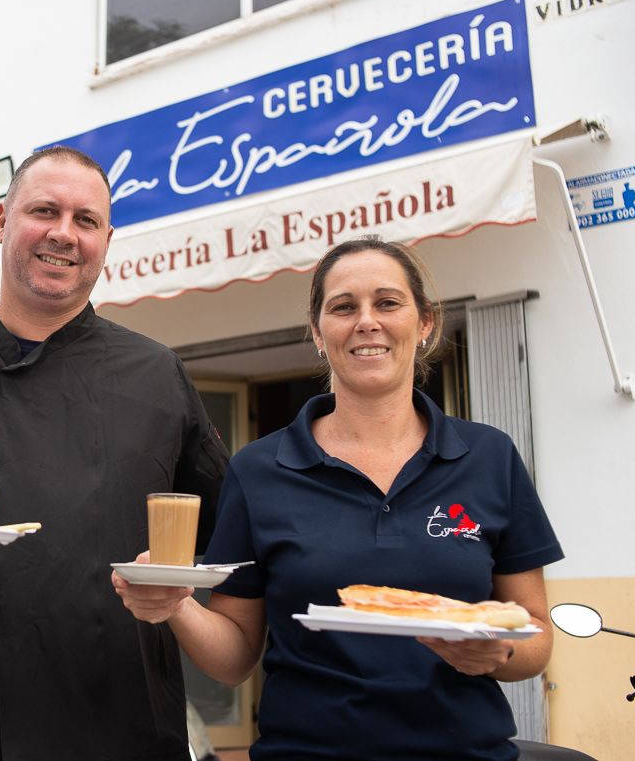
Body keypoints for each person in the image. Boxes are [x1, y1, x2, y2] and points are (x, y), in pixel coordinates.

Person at [113, 236, 565, 761]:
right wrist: (176, 606)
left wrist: (497, 651)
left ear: (425, 324)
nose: (366, 321)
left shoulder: (489, 456)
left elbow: (536, 636)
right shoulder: (259, 469)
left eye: (388, 302)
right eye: (343, 307)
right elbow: (235, 657)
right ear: (318, 333)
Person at [0, 146, 229, 761]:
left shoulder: (155, 373)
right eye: (44, 211)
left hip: (123, 727)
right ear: (2, 222)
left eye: (86, 220)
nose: (65, 234)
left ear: (107, 239)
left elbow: (231, 533)